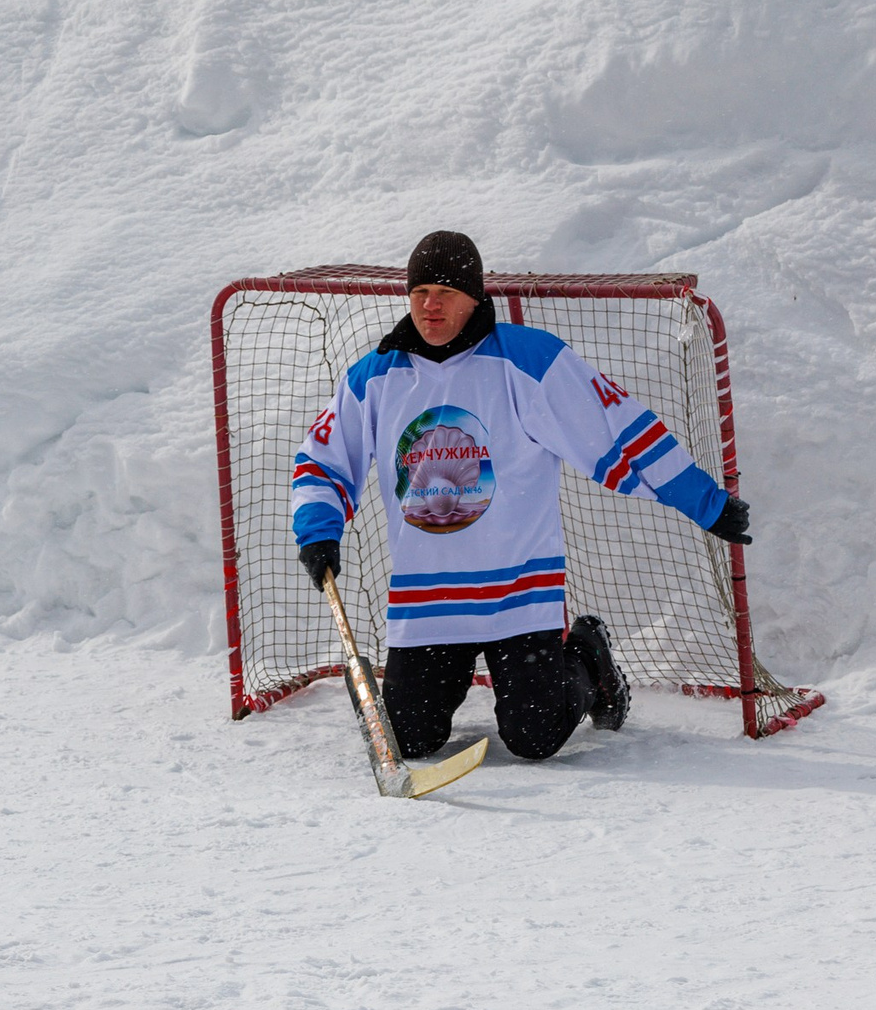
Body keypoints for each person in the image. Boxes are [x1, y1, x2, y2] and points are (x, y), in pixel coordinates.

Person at [292, 231, 754, 763]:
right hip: (429, 599)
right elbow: (322, 459)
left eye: (444, 291)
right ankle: (416, 688)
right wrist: (319, 530)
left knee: (535, 738)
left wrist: (705, 502)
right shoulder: (377, 375)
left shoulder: (527, 360)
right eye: (419, 291)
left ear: (475, 297)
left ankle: (586, 654)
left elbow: (617, 431)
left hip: (518, 593)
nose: (430, 304)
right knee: (408, 739)